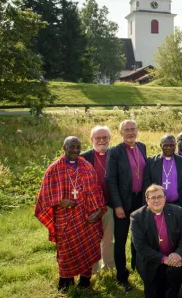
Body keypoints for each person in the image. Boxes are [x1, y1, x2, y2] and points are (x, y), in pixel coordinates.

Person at [35, 136, 105, 292]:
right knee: (66, 251)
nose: (75, 150)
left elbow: (96, 191)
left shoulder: (86, 166)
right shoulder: (53, 169)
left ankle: (85, 281)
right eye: (71, 147)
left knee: (87, 247)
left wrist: (99, 210)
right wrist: (61, 201)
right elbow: (44, 195)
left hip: (87, 218)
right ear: (64, 148)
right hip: (65, 219)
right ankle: (66, 280)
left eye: (78, 147)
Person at [107, 119, 147, 291]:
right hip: (123, 202)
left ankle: (138, 267)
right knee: (121, 239)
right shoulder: (115, 152)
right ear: (121, 132)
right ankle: (122, 276)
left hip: (140, 201)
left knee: (139, 236)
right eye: (127, 130)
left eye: (133, 129)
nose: (130, 132)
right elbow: (111, 180)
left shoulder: (142, 147)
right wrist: (117, 205)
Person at [130, 185, 182, 298]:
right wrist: (164, 259)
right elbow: (140, 246)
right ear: (147, 200)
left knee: (172, 292)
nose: (156, 200)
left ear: (165, 198)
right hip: (151, 262)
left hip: (174, 260)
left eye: (159, 196)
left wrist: (178, 254)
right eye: (152, 198)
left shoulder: (177, 211)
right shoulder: (136, 217)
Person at [80, 126, 114, 273]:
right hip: (90, 207)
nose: (101, 140)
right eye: (98, 138)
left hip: (110, 205)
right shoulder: (83, 157)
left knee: (108, 239)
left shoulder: (115, 154)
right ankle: (92, 270)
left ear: (109, 139)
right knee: (90, 240)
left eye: (105, 138)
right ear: (91, 139)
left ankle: (108, 267)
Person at [143, 134, 182, 221]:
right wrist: (146, 207)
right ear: (160, 145)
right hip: (157, 206)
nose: (169, 148)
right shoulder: (151, 162)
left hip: (179, 205)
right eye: (165, 145)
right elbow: (146, 187)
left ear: (175, 145)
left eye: (171, 145)